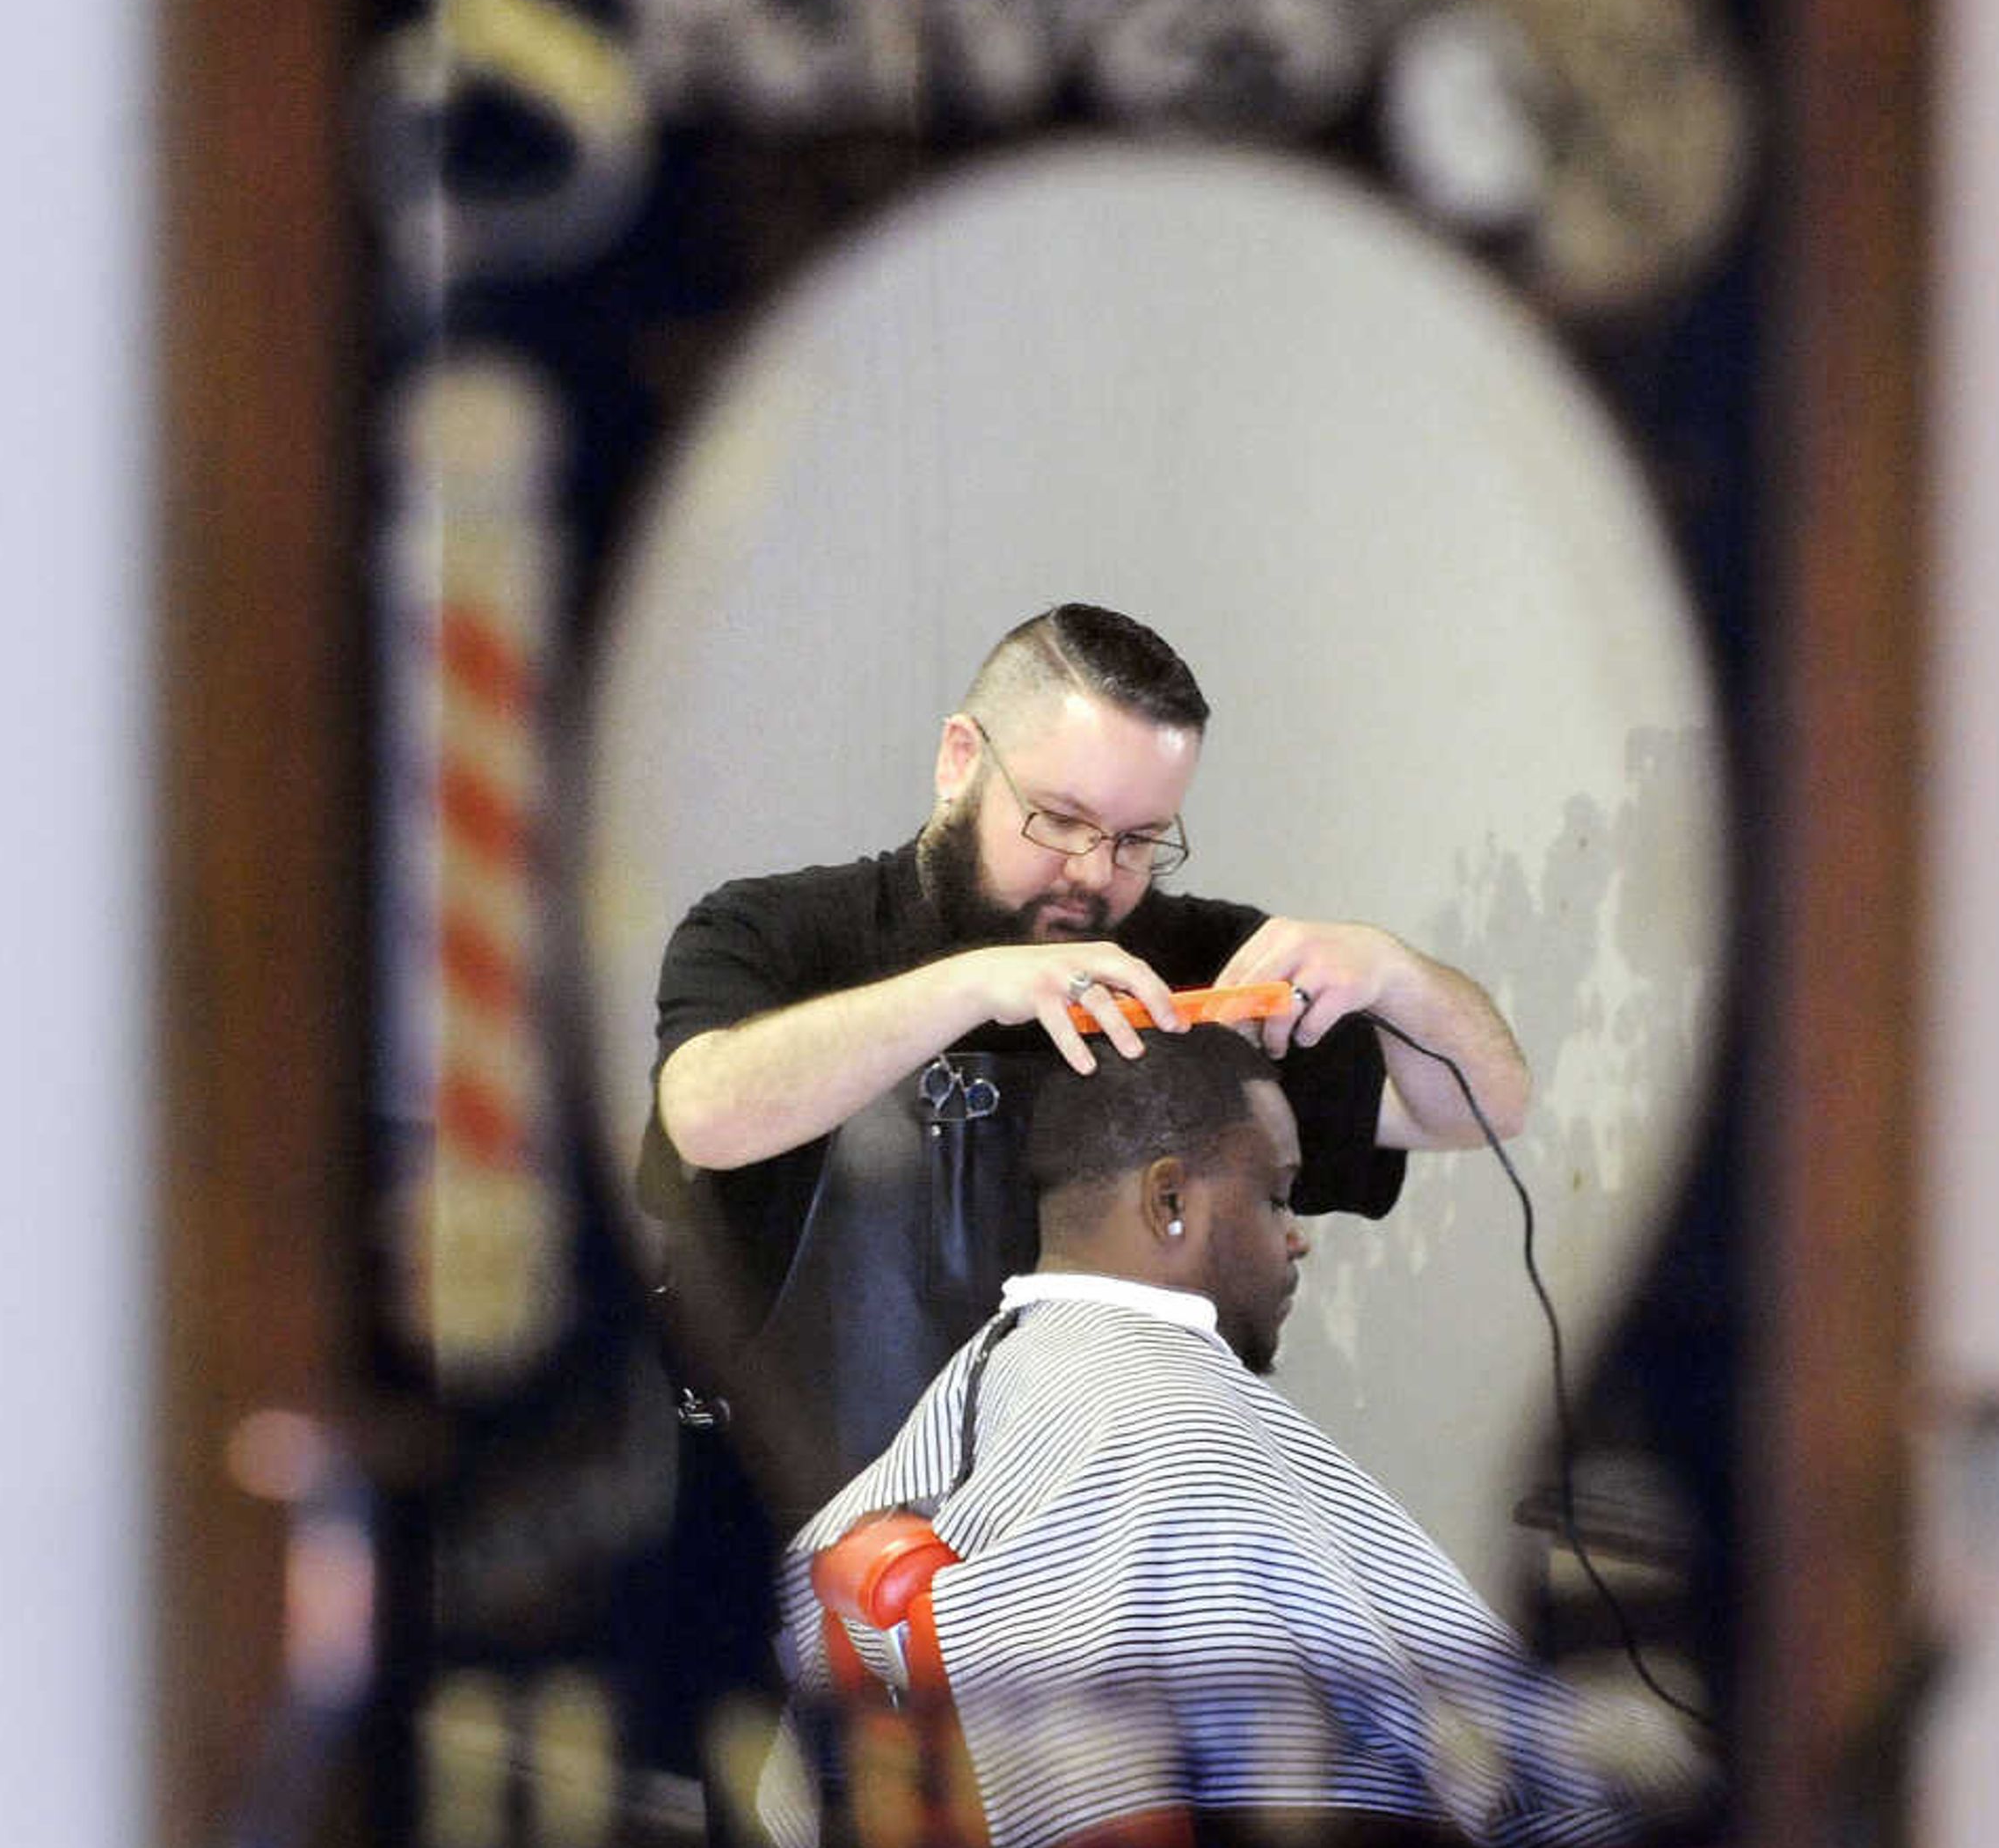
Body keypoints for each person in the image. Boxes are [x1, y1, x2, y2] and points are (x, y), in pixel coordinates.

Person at [754, 1026, 1702, 1848]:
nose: (1298, 1239)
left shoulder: (970, 1399)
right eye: (1277, 1194)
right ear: (1169, 1198)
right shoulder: (1191, 1439)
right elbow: (1495, 1760)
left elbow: (796, 1780)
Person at [645, 602, 1530, 1505]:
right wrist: (975, 985)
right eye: (1059, 819)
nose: (1094, 872)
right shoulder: (774, 933)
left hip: (1088, 1536)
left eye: (1140, 839)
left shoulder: (1203, 967)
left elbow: (1478, 1110)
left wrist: (1394, 974)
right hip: (786, 1543)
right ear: (960, 761)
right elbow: (708, 1113)